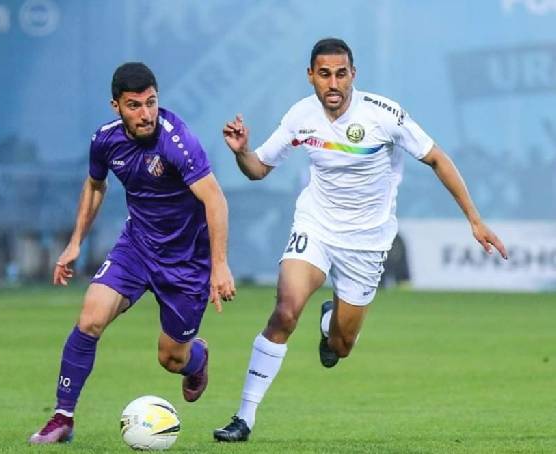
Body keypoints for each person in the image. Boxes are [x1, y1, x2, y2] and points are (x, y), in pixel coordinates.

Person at [213, 38, 508, 442]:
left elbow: (437, 158)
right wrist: (241, 150)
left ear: (353, 74)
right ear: (311, 76)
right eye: (324, 74)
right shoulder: (300, 115)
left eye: (341, 74)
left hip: (367, 243)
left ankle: (329, 321)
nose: (333, 83)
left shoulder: (384, 115)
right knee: (285, 311)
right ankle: (244, 417)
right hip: (315, 227)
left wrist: (474, 219)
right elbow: (258, 169)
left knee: (341, 345)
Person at [29, 62, 236, 444]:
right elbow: (95, 186)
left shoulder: (178, 142)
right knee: (90, 318)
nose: (145, 114)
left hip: (186, 261)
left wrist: (219, 266)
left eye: (151, 103)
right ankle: (62, 418)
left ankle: (197, 358)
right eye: (134, 105)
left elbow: (215, 200)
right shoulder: (105, 140)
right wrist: (75, 242)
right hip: (137, 247)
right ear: (116, 106)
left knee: (171, 358)